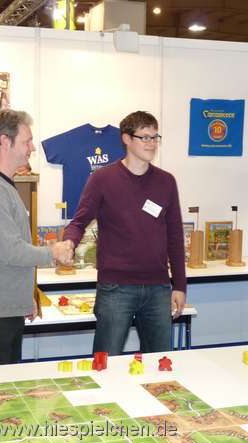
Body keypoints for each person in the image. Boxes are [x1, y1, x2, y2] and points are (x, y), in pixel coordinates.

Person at [63, 111, 186, 356]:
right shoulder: (102, 179)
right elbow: (79, 221)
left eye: (155, 137)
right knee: (106, 361)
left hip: (158, 288)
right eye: (145, 137)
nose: (152, 143)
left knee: (159, 361)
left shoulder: (166, 182)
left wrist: (180, 285)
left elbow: (175, 236)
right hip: (116, 288)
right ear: (127, 139)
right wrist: (68, 242)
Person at [0, 109, 73, 366]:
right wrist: (53, 252)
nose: (32, 148)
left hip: (4, 308)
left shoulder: (2, 185)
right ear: (5, 141)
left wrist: (24, 298)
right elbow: (11, 250)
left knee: (7, 386)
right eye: (27, 141)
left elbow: (9, 250)